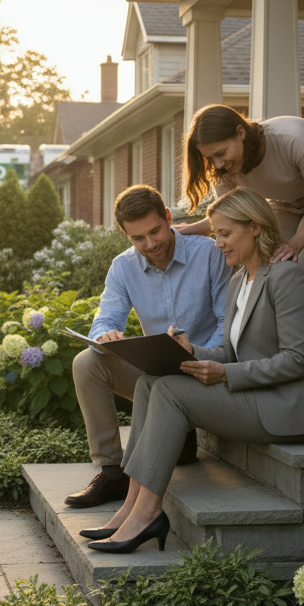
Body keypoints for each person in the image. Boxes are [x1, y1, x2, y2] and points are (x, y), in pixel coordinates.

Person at [84, 188, 304, 553]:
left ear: (254, 228)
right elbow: (229, 351)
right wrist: (192, 351)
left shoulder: (288, 278)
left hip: (291, 408)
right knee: (151, 382)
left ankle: (147, 513)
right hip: (258, 396)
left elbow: (297, 360)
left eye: (224, 233)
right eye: (216, 234)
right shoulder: (240, 279)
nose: (217, 243)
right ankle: (130, 506)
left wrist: (225, 375)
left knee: (170, 391)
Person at [63, 184, 230, 509]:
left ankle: (179, 433)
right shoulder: (123, 267)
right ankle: (112, 473)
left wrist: (200, 356)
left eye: (155, 231)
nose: (150, 244)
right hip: (157, 376)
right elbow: (105, 318)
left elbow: (227, 324)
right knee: (87, 362)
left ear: (168, 218)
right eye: (138, 238)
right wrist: (105, 335)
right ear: (126, 236)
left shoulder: (209, 253)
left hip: (205, 370)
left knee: (167, 393)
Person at [176, 105, 304, 344]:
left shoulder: (292, 138)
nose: (218, 163)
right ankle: (275, 358)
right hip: (286, 203)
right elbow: (226, 216)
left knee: (303, 272)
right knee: (264, 267)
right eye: (211, 158)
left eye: (221, 153)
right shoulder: (225, 169)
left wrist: (294, 244)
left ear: (240, 132)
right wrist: (188, 229)